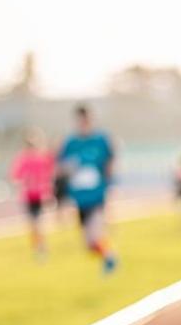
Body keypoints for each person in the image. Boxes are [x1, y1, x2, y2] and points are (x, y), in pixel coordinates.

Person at [57, 105, 118, 274]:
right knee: (89, 245)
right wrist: (68, 168)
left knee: (95, 233)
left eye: (86, 119)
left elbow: (111, 161)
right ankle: (107, 254)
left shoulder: (101, 140)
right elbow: (60, 167)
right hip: (79, 199)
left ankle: (110, 257)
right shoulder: (70, 143)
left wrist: (109, 184)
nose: (84, 123)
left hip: (97, 196)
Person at [9, 127, 54, 257]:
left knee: (37, 223)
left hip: (38, 195)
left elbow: (48, 175)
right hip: (29, 195)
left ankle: (40, 246)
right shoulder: (24, 158)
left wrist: (47, 191)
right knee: (34, 223)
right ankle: (38, 246)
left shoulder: (40, 158)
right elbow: (16, 176)